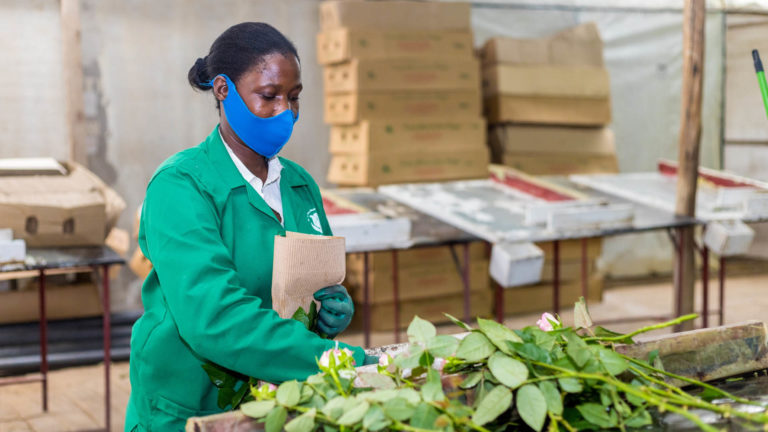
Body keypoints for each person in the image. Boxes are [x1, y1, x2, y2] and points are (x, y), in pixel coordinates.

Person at [124, 22, 372, 431]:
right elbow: (215, 318)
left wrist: (330, 308)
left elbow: (303, 281)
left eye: (294, 99)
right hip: (190, 406)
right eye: (269, 96)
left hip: (279, 398)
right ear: (223, 90)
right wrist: (336, 362)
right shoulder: (181, 187)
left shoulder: (298, 184)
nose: (285, 113)